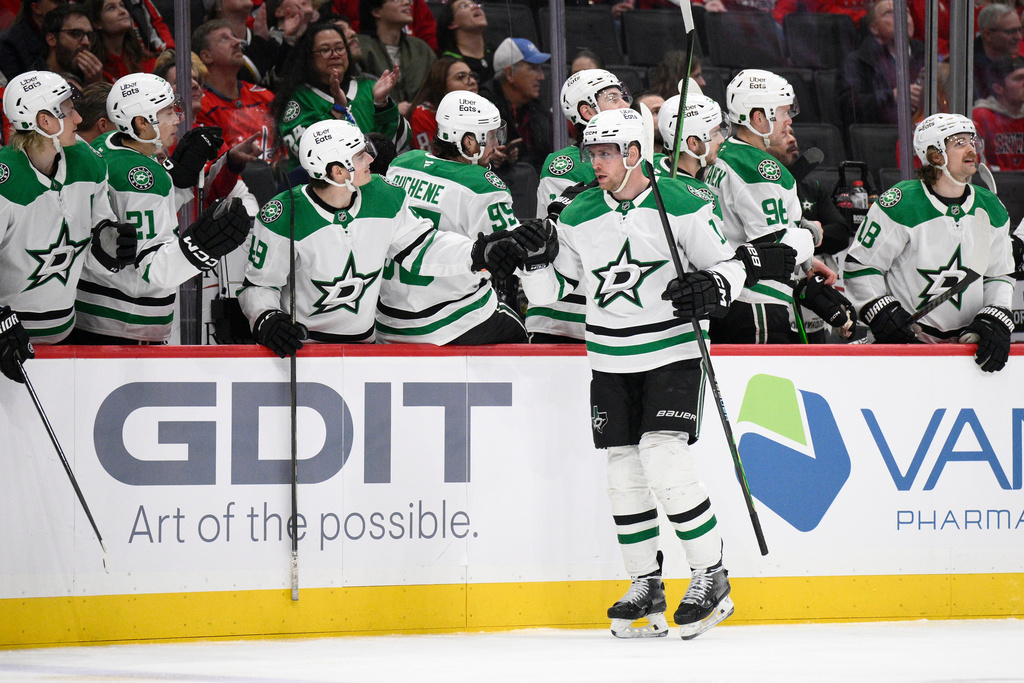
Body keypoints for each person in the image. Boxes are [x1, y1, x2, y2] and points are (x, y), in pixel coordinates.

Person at [513, 107, 794, 640]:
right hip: (609, 358)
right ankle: (646, 583)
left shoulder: (684, 203)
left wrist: (713, 288)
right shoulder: (576, 215)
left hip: (673, 349)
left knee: (664, 456)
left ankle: (710, 574)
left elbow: (731, 263)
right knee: (622, 470)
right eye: (590, 152)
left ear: (634, 154)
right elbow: (557, 293)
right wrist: (529, 263)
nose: (593, 162)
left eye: (604, 153)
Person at [238, 119, 516, 353]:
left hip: (369, 347)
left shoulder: (383, 195)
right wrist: (266, 317)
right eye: (360, 156)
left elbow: (422, 246)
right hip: (304, 350)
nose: (371, 159)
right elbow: (259, 285)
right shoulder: (282, 216)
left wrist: (476, 252)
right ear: (337, 171)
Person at [71, 74, 251, 344]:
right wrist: (202, 248)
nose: (177, 118)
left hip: (92, 313)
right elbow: (152, 268)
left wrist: (176, 181)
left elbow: (137, 211)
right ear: (142, 122)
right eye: (168, 112)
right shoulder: (142, 178)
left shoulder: (105, 145)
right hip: (126, 325)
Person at [844, 113, 1015, 373]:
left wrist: (995, 314)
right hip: (907, 352)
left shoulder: (991, 206)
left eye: (972, 141)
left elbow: (999, 274)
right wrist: (881, 311)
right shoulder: (901, 204)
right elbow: (862, 266)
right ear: (936, 156)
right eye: (959, 143)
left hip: (968, 354)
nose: (972, 148)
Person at [380, 90, 528, 345]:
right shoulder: (484, 186)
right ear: (468, 143)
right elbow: (514, 255)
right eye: (491, 136)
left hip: (387, 318)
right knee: (519, 333)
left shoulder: (401, 164)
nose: (497, 145)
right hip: (448, 321)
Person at [0, 70, 134, 345]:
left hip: (67, 332)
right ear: (44, 120)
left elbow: (95, 243)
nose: (78, 119)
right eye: (68, 110)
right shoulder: (6, 181)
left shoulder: (87, 163)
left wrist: (111, 247)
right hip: (10, 340)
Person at [702, 69, 819, 344]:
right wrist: (811, 236)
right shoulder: (761, 169)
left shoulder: (724, 154)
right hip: (757, 304)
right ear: (758, 118)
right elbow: (774, 249)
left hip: (727, 300)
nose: (788, 120)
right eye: (782, 113)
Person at [528, 68, 633, 343]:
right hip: (564, 317)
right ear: (587, 111)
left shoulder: (639, 163)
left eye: (623, 96)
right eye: (613, 98)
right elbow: (576, 233)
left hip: (614, 313)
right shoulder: (564, 165)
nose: (625, 104)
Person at [273, 22, 407, 169]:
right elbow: (309, 154)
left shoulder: (368, 87)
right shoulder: (298, 99)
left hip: (374, 181)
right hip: (323, 187)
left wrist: (383, 105)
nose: (335, 55)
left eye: (340, 48)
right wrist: (336, 111)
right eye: (325, 50)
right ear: (309, 57)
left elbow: (400, 142)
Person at [194, 19, 279, 163]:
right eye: (224, 38)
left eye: (234, 36)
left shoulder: (264, 95)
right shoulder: (201, 106)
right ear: (206, 56)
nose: (237, 42)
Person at [837, 0, 924, 126]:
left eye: (906, 12)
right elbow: (850, 107)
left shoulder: (926, 54)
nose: (901, 16)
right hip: (881, 134)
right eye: (888, 13)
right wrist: (892, 97)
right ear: (874, 28)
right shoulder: (857, 61)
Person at [479, 37, 552, 174]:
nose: (541, 76)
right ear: (509, 73)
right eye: (533, 68)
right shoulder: (482, 110)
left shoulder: (538, 111)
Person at [357, 0, 435, 116]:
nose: (406, 2)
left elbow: (437, 85)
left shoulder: (421, 48)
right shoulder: (359, 47)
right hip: (377, 122)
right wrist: (390, 107)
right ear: (376, 11)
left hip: (421, 123)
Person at [408, 57, 478, 151]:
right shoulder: (423, 115)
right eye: (461, 77)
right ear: (441, 86)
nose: (472, 81)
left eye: (472, 75)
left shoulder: (482, 110)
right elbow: (430, 160)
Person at [973, 55, 1024, 172]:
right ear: (998, 88)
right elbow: (978, 164)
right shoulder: (981, 116)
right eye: (1019, 78)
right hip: (995, 187)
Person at [85, 0, 156, 82]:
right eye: (111, 8)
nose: (122, 11)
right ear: (97, 23)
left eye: (122, 5)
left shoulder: (144, 58)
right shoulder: (93, 67)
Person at [39, 4, 104, 85]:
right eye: (76, 33)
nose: (86, 42)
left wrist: (95, 85)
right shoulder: (35, 80)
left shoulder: (89, 76)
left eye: (89, 35)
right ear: (51, 40)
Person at [0, 0, 65, 80]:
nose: (65, 7)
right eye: (58, 2)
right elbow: (18, 86)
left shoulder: (66, 33)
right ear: (36, 8)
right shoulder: (9, 42)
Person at [436, 0, 494, 85]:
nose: (475, 6)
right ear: (452, 23)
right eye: (464, 6)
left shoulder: (494, 52)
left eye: (475, 3)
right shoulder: (449, 63)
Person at [975, 4, 1022, 101]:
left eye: (1019, 30)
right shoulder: (966, 66)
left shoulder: (1019, 62)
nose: (1019, 37)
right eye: (1011, 32)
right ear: (987, 35)